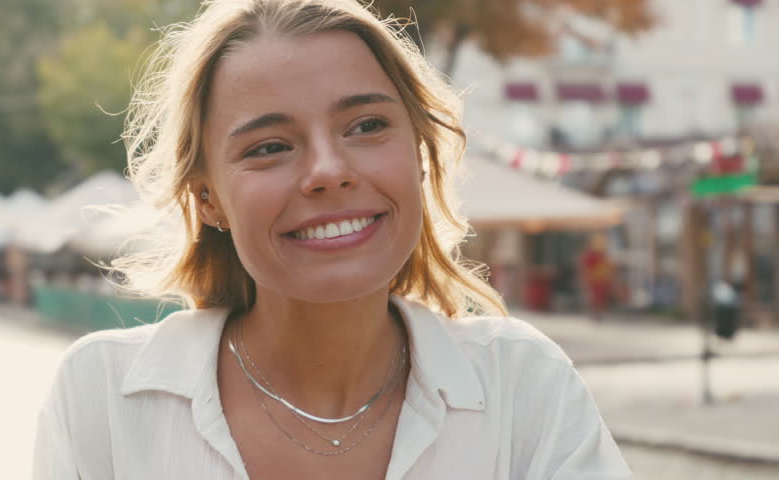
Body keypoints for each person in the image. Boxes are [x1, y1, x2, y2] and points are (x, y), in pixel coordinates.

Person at [33, 1, 633, 478]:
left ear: (421, 157)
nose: (328, 170)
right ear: (207, 197)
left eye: (367, 126)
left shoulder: (524, 385)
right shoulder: (105, 398)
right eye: (270, 146)